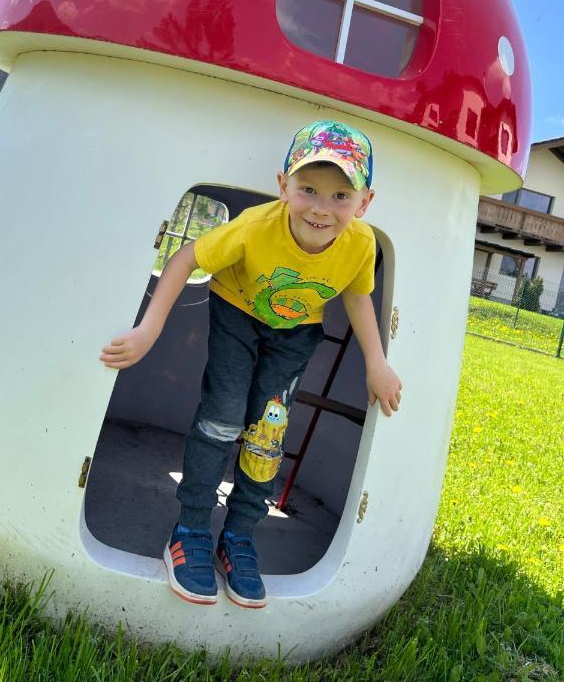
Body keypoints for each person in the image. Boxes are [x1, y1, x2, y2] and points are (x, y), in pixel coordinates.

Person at [99, 120, 402, 609]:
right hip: (237, 313)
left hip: (298, 331)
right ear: (284, 186)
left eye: (341, 195)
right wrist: (149, 328)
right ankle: (191, 529)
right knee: (222, 416)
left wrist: (376, 362)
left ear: (364, 203)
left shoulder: (361, 244)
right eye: (308, 189)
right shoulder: (257, 227)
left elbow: (359, 296)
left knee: (267, 433)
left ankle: (237, 537)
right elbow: (185, 258)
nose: (322, 208)